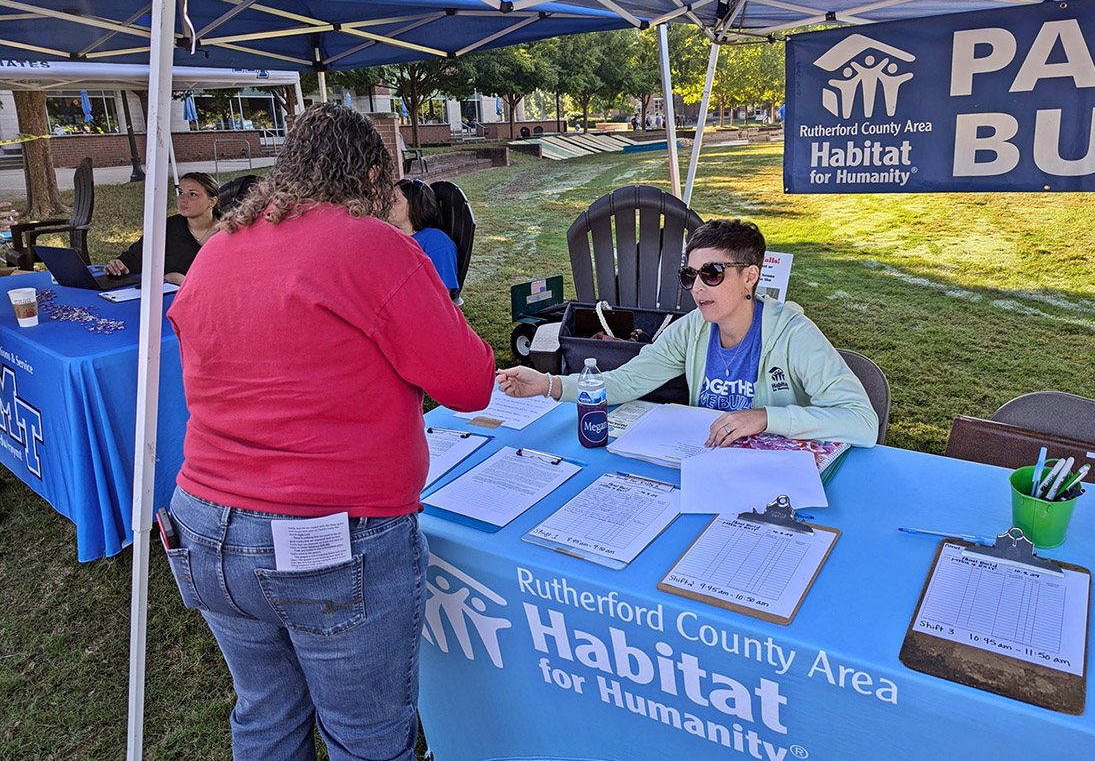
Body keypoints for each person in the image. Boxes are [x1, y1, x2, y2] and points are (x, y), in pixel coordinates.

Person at [164, 102, 495, 761]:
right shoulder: (368, 242)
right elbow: (469, 381)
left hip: (203, 524)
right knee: (365, 736)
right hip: (327, 532)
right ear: (372, 176)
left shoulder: (220, 247)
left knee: (265, 715)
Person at [497, 219, 879, 448]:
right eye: (689, 275)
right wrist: (547, 384)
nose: (697, 287)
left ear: (750, 276)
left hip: (775, 479)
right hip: (706, 465)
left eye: (712, 273)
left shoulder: (793, 334)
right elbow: (626, 382)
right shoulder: (692, 329)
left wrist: (764, 417)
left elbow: (862, 422)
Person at [105, 172, 219, 285]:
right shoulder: (166, 228)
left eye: (192, 194)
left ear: (212, 201)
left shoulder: (230, 231)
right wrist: (118, 264)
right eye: (180, 193)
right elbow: (136, 257)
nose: (183, 199)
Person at [387, 178, 460, 293]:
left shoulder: (436, 242)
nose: (388, 205)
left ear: (415, 205)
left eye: (395, 200)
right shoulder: (393, 237)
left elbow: (442, 294)